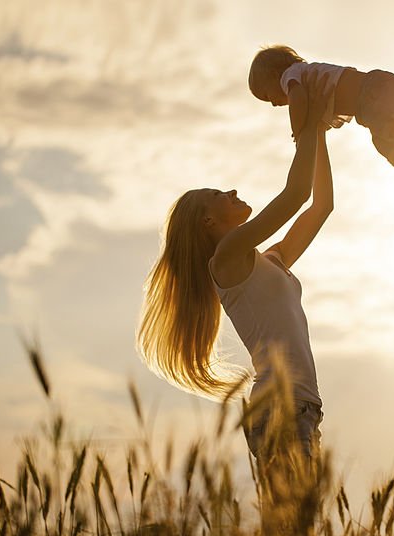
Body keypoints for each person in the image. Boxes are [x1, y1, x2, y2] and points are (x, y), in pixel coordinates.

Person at [137, 76, 334, 461]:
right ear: (208, 222)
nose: (229, 192)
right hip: (282, 408)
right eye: (217, 196)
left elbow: (321, 206)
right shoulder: (225, 259)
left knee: (297, 522)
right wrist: (304, 124)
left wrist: (320, 129)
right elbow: (296, 195)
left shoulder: (269, 261)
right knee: (294, 521)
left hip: (302, 408)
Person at [248, 45, 394, 210]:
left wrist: (298, 131)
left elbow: (297, 99)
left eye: (267, 96)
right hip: (377, 92)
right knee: (386, 141)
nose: (273, 104)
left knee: (390, 126)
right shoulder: (309, 79)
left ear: (274, 75)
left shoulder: (291, 76)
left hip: (372, 90)